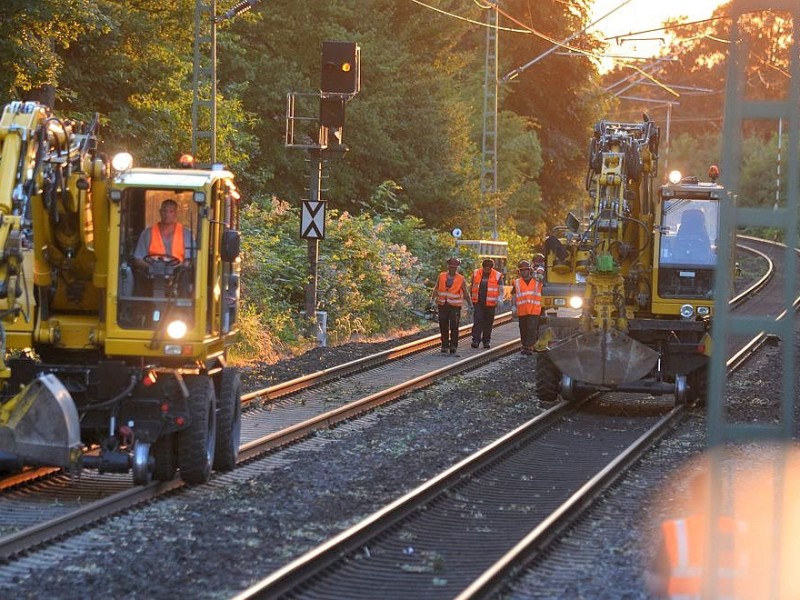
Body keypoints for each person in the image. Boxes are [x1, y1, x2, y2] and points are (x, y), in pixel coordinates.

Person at [645, 471, 747, 599]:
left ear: (693, 499)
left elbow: (656, 583)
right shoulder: (742, 532)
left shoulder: (677, 531)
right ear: (721, 499)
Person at [133, 199, 194, 270]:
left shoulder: (186, 234)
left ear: (176, 213)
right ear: (160, 212)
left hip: (179, 275)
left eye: (171, 211)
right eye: (165, 211)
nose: (167, 215)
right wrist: (152, 268)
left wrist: (177, 268)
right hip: (152, 275)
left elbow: (190, 260)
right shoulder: (147, 233)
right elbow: (138, 259)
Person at [432, 257, 472, 355]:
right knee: (443, 325)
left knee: (454, 326)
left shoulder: (460, 279)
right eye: (451, 267)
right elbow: (436, 288)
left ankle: (453, 346)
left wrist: (470, 304)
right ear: (448, 267)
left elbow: (466, 292)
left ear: (457, 268)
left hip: (455, 306)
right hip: (442, 304)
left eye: (455, 267)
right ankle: (444, 345)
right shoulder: (441, 276)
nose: (453, 269)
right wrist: (432, 301)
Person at [470, 258, 504, 349]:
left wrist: (500, 299)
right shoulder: (476, 273)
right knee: (478, 320)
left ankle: (486, 341)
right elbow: (472, 286)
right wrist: (470, 300)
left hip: (491, 303)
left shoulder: (497, 275)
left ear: (492, 268)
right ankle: (476, 340)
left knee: (488, 322)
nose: (487, 270)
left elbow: (501, 289)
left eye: (489, 269)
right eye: (485, 268)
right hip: (478, 302)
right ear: (483, 267)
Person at [510, 260, 543, 355]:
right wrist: (513, 306)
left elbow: (542, 269)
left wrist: (539, 270)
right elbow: (514, 295)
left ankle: (529, 347)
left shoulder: (537, 280)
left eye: (526, 270)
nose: (524, 272)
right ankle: (525, 346)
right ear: (519, 271)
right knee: (523, 329)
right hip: (522, 311)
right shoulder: (517, 282)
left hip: (534, 310)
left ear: (529, 270)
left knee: (531, 329)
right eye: (522, 270)